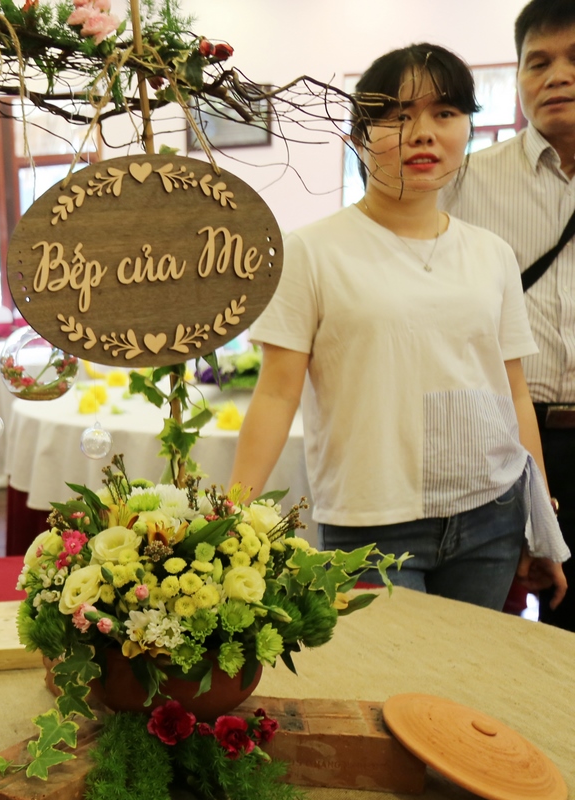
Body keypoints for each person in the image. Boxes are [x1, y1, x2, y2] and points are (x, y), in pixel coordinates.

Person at [230, 44, 568, 610]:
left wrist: (541, 524)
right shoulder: (311, 251)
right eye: (398, 116)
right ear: (359, 136)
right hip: (369, 523)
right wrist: (228, 520)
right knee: (386, 668)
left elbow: (513, 390)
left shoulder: (492, 254)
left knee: (467, 667)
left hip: (491, 515)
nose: (423, 133)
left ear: (467, 127)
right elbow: (276, 393)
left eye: (445, 113)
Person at [446, 0, 575, 625]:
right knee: (490, 635)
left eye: (574, 59)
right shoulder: (466, 181)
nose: (557, 76)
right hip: (507, 444)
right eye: (538, 62)